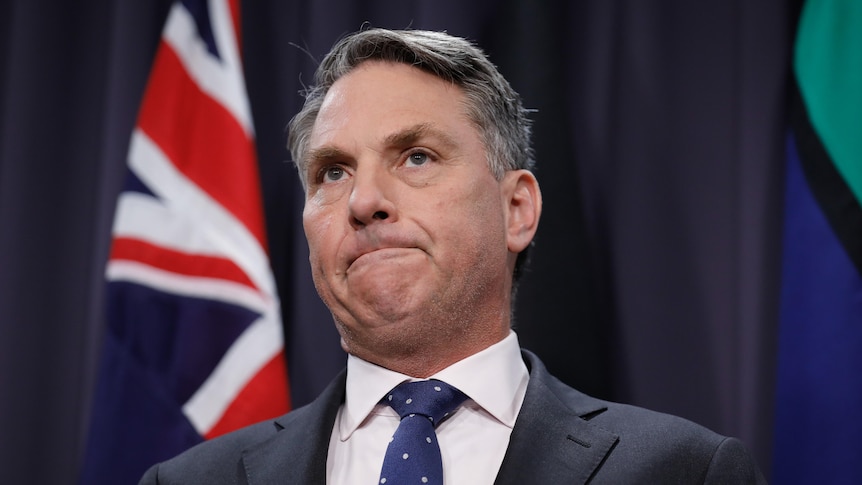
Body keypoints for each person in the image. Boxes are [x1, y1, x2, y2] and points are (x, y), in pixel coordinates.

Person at [140, 28, 766, 484]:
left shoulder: (684, 472)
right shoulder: (191, 481)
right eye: (332, 172)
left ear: (516, 208)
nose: (363, 201)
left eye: (416, 157)